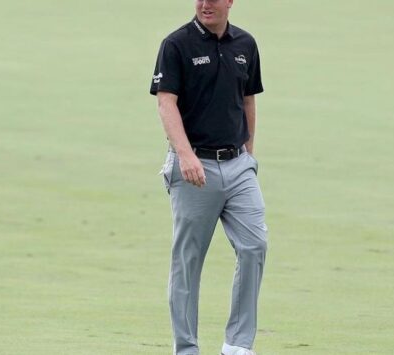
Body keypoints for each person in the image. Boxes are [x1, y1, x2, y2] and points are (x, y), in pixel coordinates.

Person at [149, 1, 267, 354]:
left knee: (254, 246)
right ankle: (186, 349)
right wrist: (184, 155)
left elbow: (248, 101)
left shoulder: (245, 44)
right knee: (188, 261)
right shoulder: (177, 44)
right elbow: (166, 103)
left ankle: (238, 345)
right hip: (193, 167)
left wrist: (248, 154)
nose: (205, 4)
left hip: (238, 166)